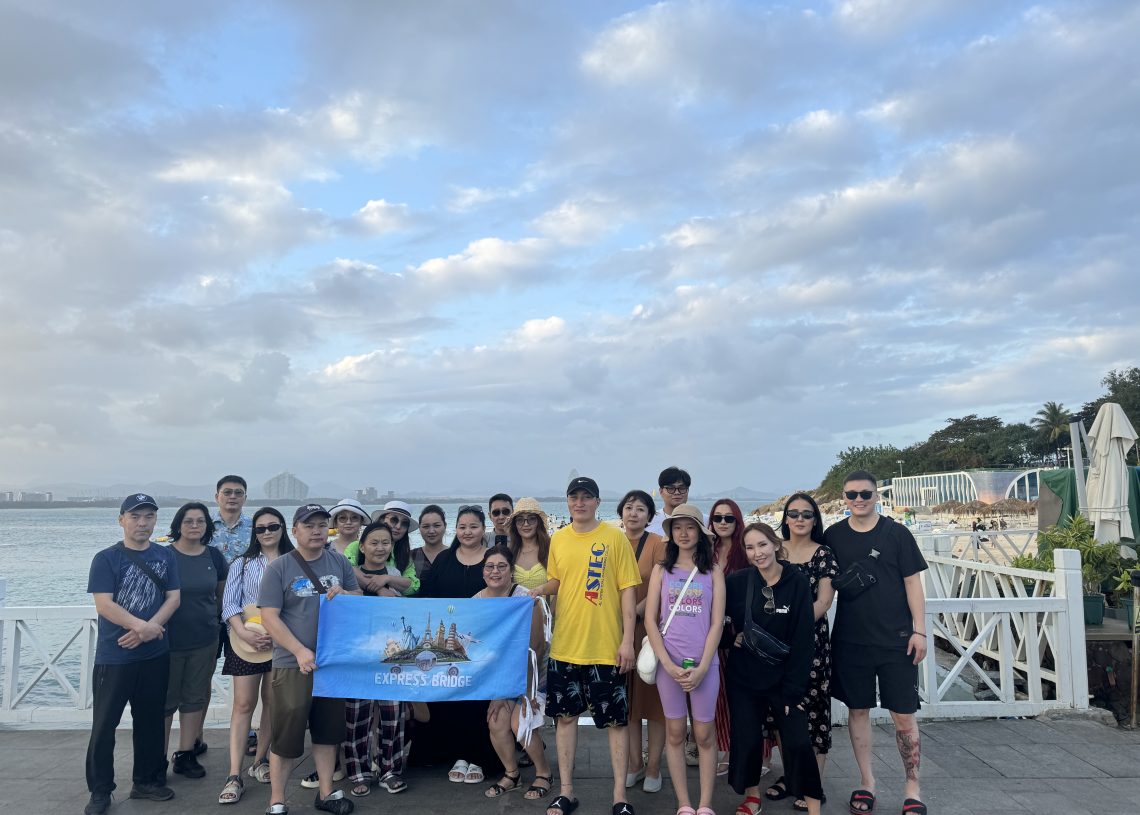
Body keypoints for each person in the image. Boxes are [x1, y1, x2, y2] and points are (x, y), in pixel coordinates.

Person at [531, 476, 641, 815]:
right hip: (565, 647)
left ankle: (620, 797)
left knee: (616, 723)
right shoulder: (559, 540)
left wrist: (626, 641)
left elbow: (628, 591)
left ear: (597, 502)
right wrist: (534, 592)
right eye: (574, 497)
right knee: (565, 719)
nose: (580, 503)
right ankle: (566, 792)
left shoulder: (614, 538)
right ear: (567, 502)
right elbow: (558, 581)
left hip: (607, 648)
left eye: (586, 497)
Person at [826, 472, 928, 815]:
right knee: (857, 711)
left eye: (865, 493)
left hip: (896, 639)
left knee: (903, 715)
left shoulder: (897, 534)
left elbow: (913, 584)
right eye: (852, 494)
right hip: (851, 640)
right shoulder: (834, 536)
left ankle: (912, 786)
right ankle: (866, 781)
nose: (858, 499)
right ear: (844, 498)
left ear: (875, 494)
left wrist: (921, 631)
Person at [257, 504, 360, 815]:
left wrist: (345, 594)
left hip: (331, 663)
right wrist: (299, 650)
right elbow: (269, 617)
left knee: (328, 733)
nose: (316, 530)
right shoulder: (279, 567)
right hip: (291, 664)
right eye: (308, 525)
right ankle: (277, 799)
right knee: (286, 735)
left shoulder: (339, 562)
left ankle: (327, 792)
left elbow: (358, 600)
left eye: (321, 524)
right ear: (295, 530)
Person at [84, 494, 181, 815]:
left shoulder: (165, 556)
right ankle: (100, 790)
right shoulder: (106, 558)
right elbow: (104, 604)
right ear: (122, 519)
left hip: (155, 653)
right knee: (105, 725)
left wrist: (151, 628)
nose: (143, 523)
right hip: (115, 656)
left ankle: (147, 781)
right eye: (136, 517)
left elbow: (173, 598)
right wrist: (143, 627)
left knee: (151, 721)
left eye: (149, 517)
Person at [725, 523, 821, 815]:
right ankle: (752, 797)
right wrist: (732, 637)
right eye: (751, 547)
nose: (758, 553)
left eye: (763, 545)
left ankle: (815, 806)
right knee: (748, 738)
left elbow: (804, 638)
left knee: (799, 742)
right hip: (744, 676)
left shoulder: (797, 582)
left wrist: (794, 691)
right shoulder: (738, 582)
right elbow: (715, 620)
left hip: (784, 677)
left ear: (776, 545)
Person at [644, 504, 726, 815]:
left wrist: (704, 666)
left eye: (690, 527)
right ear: (671, 533)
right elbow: (651, 620)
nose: (683, 533)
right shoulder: (661, 571)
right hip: (669, 665)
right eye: (677, 527)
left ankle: (705, 804)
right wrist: (667, 663)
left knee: (704, 734)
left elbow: (717, 622)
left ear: (700, 532)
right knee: (675, 733)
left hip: (706, 664)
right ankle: (684, 804)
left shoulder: (713, 571)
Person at [766, 493, 838, 812]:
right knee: (782, 713)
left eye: (806, 514)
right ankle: (791, 776)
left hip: (810, 644)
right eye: (793, 513)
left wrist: (794, 625)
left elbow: (823, 601)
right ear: (785, 518)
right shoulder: (776, 551)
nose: (799, 519)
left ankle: (813, 783)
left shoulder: (823, 554)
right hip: (776, 644)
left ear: (814, 520)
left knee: (814, 715)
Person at [414, 505, 497, 782]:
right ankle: (458, 755)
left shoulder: (493, 559)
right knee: (452, 699)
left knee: (479, 700)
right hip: (447, 643)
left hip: (483, 641)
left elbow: (506, 593)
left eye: (473, 526)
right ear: (455, 529)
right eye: (462, 527)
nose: (467, 532)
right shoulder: (445, 560)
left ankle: (480, 756)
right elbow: (428, 597)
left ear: (482, 528)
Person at [217, 506, 292, 805]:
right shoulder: (242, 563)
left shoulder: (293, 562)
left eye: (272, 526)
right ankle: (234, 773)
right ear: (254, 533)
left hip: (282, 641)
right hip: (245, 640)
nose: (267, 532)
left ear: (283, 528)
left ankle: (260, 759)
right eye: (260, 528)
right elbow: (229, 604)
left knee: (274, 703)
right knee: (244, 704)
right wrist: (244, 632)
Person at [476, 545, 554, 801]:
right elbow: (480, 651)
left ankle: (544, 773)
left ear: (511, 572)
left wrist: (525, 692)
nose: (495, 571)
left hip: (532, 676)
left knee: (520, 723)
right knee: (496, 721)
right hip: (501, 678)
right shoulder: (477, 602)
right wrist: (497, 692)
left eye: (501, 566)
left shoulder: (526, 599)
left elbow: (537, 649)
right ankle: (512, 774)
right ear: (483, 571)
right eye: (490, 566)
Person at [341, 522, 410, 796]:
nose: (380, 548)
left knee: (393, 714)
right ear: (362, 546)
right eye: (374, 542)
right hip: (357, 654)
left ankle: (390, 770)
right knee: (358, 714)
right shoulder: (347, 574)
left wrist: (388, 586)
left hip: (391, 653)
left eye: (385, 543)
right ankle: (358, 772)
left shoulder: (394, 574)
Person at [162, 503, 228, 779]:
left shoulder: (214, 556)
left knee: (194, 698)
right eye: (188, 521)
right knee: (165, 701)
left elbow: (221, 597)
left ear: (207, 527)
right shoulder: (163, 556)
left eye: (200, 521)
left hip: (204, 639)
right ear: (178, 525)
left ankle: (186, 753)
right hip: (167, 641)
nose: (194, 526)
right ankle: (156, 757)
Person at [618, 489, 667, 793]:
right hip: (619, 632)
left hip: (649, 630)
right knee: (628, 704)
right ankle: (634, 764)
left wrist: (635, 611)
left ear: (650, 516)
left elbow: (663, 585)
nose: (633, 513)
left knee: (655, 703)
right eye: (628, 507)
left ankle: (653, 767)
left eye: (640, 509)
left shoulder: (658, 544)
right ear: (620, 512)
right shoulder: (611, 543)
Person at [708, 498, 749, 775]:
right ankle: (725, 749)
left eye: (729, 518)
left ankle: (760, 755)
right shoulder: (705, 552)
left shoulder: (746, 552)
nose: (723, 523)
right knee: (719, 696)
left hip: (740, 635)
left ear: (737, 521)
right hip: (712, 634)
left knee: (747, 698)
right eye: (718, 518)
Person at [352, 500, 420, 596]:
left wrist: (387, 578)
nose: (398, 526)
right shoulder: (355, 546)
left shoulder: (405, 556)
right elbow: (346, 569)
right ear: (381, 520)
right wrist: (379, 589)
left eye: (404, 523)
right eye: (394, 520)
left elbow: (413, 587)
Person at [507, 497, 552, 593]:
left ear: (538, 522)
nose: (526, 524)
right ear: (515, 524)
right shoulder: (509, 553)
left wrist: (550, 608)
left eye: (531, 519)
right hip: (519, 608)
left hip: (547, 607)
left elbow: (561, 583)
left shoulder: (551, 548)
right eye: (520, 520)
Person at [212, 475, 253, 564]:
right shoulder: (204, 525)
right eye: (227, 492)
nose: (233, 496)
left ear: (245, 498)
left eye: (238, 492)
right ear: (217, 497)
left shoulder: (255, 527)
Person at [647, 466, 691, 536]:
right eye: (671, 488)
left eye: (682, 488)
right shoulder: (649, 521)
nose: (677, 492)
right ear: (661, 491)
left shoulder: (703, 520)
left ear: (688, 490)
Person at [412, 505, 448, 577]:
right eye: (426, 526)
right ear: (419, 528)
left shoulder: (456, 554)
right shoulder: (410, 556)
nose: (431, 531)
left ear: (445, 526)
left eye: (437, 525)